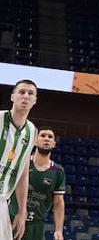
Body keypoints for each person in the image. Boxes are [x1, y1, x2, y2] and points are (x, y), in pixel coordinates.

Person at [7, 129, 65, 240]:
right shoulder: (21, 161)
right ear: (35, 141)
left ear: (54, 144)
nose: (46, 138)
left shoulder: (58, 171)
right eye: (43, 135)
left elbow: (58, 203)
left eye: (50, 137)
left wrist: (58, 230)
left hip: (36, 225)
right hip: (11, 219)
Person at [1, 80, 39, 240]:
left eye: (30, 93)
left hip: (3, 199)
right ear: (12, 97)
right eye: (22, 92)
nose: (26, 96)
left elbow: (23, 173)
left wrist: (22, 211)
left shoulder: (32, 131)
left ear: (34, 101)